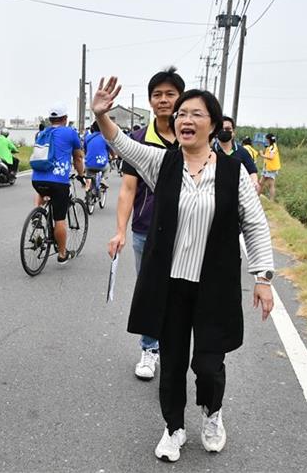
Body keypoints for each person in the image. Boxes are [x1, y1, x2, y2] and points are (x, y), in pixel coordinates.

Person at [91, 77, 275, 462]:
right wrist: (102, 116)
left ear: (214, 123)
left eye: (195, 113)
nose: (185, 119)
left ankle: (212, 413)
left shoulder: (232, 173)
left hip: (214, 286)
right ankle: (173, 427)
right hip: (170, 284)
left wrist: (263, 278)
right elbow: (123, 144)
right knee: (172, 363)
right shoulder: (163, 163)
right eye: (181, 114)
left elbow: (254, 224)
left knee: (208, 364)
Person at [108, 67, 184, 381]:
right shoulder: (138, 139)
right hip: (146, 229)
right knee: (150, 290)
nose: (163, 100)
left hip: (186, 229)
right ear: (151, 101)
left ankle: (174, 348)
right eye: (157, 95)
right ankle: (149, 349)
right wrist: (120, 230)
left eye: (170, 94)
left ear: (181, 97)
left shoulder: (192, 133)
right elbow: (128, 188)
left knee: (180, 291)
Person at [31, 104, 85, 265]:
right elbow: (78, 158)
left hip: (37, 179)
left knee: (43, 189)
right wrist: (81, 175)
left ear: (50, 119)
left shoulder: (42, 132)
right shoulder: (70, 132)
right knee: (59, 219)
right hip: (59, 182)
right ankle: (62, 254)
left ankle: (38, 213)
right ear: (65, 119)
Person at [214, 116, 259, 193]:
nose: (224, 131)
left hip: (238, 193)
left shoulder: (243, 152)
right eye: (221, 129)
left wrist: (254, 183)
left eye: (228, 129)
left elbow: (252, 172)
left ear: (233, 132)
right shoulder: (210, 151)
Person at [83, 121, 110, 197]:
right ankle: (103, 179)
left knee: (89, 175)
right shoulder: (105, 138)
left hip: (88, 164)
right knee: (107, 167)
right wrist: (113, 156)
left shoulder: (87, 137)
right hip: (101, 164)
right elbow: (110, 149)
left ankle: (88, 190)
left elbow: (85, 149)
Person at [259, 133, 281, 201]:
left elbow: (271, 157)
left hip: (271, 168)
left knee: (271, 185)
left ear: (269, 139)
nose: (265, 140)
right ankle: (257, 196)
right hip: (267, 167)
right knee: (261, 183)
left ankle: (271, 200)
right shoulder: (270, 146)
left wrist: (262, 155)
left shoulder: (273, 147)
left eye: (266, 139)